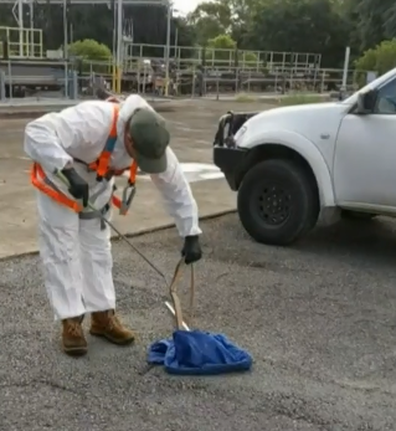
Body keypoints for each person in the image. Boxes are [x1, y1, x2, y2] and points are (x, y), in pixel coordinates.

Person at [24, 94, 202, 357]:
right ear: (128, 139)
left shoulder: (152, 140)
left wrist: (191, 232)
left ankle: (102, 316)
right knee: (62, 249)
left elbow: (175, 186)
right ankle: (71, 321)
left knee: (98, 250)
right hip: (60, 181)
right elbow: (36, 131)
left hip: (96, 188)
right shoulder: (92, 119)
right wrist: (67, 170)